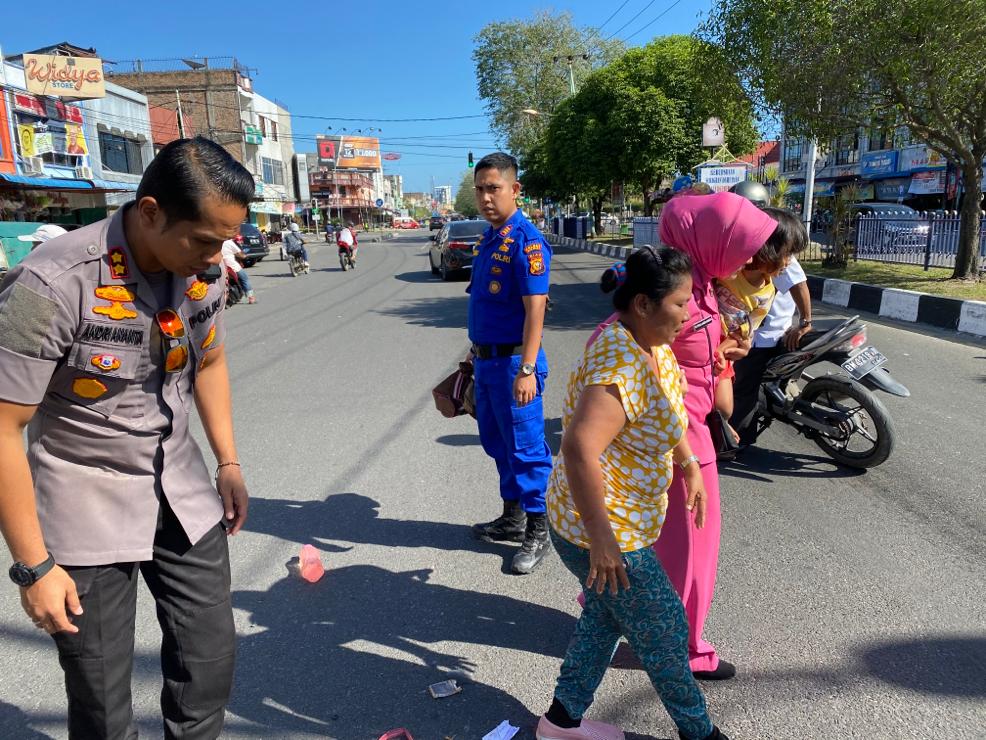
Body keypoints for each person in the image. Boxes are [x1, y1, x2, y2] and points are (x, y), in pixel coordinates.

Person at [0, 136, 252, 739]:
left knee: (208, 663)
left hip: (183, 494)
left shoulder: (205, 276)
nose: (217, 256)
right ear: (149, 212)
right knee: (103, 701)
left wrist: (229, 462)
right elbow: (4, 424)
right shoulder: (53, 284)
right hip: (86, 503)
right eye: (205, 239)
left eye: (225, 240)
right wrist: (34, 567)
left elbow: (210, 362)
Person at [538, 247, 728, 740]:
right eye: (681, 304)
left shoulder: (652, 344)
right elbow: (579, 448)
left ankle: (560, 723)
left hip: (621, 520)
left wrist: (689, 466)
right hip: (599, 528)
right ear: (643, 303)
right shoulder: (621, 365)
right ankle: (699, 732)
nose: (690, 314)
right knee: (664, 629)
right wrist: (602, 541)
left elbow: (670, 405)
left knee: (605, 618)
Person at [467, 152, 553, 575]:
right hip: (486, 362)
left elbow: (535, 308)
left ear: (515, 190)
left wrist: (527, 369)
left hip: (515, 364)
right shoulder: (491, 237)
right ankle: (512, 516)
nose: (485, 197)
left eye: (493, 188)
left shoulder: (527, 240)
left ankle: (539, 528)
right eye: (480, 188)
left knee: (527, 448)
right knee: (498, 444)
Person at [712, 208, 808, 421]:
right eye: (787, 254)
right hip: (708, 344)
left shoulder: (767, 292)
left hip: (729, 350)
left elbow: (743, 330)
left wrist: (720, 350)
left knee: (732, 402)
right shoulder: (724, 268)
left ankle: (732, 442)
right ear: (768, 249)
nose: (789, 262)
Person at [730, 256, 813, 446]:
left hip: (765, 337)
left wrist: (805, 322)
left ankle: (735, 444)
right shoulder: (757, 252)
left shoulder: (776, 254)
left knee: (743, 390)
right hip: (756, 332)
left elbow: (798, 284)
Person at [221, 237, 256, 303]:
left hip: (221, 267)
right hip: (232, 266)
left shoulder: (215, 243)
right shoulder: (229, 242)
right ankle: (251, 297)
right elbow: (240, 254)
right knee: (244, 279)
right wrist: (245, 256)